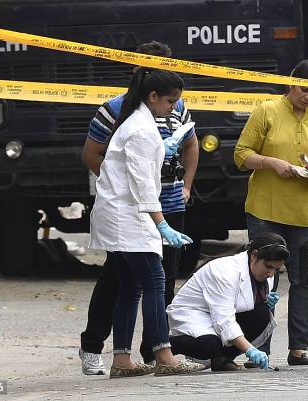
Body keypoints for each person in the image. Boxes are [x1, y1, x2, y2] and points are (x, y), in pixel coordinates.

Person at [79, 41, 198, 375]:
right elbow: (144, 184)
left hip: (129, 212)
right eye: (171, 101)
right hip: (132, 215)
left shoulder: (139, 120)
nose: (175, 108)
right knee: (155, 284)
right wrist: (161, 224)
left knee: (132, 287)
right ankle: (164, 356)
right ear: (153, 96)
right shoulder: (141, 127)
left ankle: (121, 360)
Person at [234, 59, 308, 366]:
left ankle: (299, 349)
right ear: (290, 83)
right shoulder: (266, 112)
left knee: (306, 280)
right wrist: (272, 163)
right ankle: (259, 349)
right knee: (262, 279)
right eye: (303, 89)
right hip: (266, 211)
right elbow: (241, 155)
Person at [166, 232, 289, 371]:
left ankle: (222, 359)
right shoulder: (225, 272)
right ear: (254, 255)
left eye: (276, 269)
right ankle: (163, 346)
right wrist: (250, 349)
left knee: (262, 314)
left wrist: (262, 300)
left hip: (219, 314)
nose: (271, 273)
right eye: (268, 267)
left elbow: (242, 303)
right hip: (193, 313)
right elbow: (224, 320)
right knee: (210, 345)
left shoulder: (266, 272)